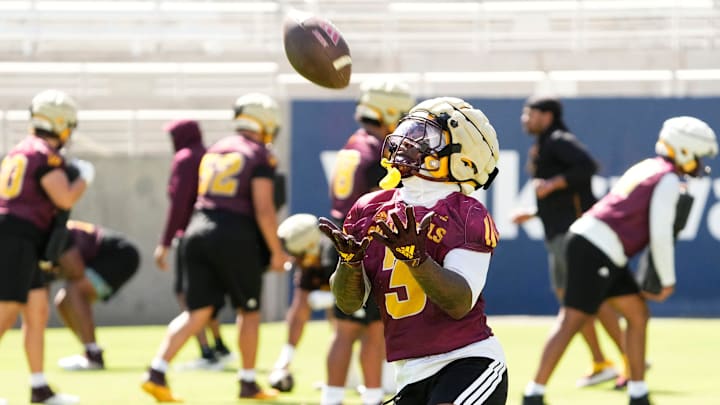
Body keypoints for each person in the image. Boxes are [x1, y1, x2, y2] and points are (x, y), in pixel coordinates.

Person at [320, 97, 508, 405]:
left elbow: (459, 302)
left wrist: (417, 259)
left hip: (467, 363)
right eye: (411, 129)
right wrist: (349, 264)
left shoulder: (466, 213)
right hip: (410, 376)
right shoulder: (370, 207)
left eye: (427, 135)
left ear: (462, 158)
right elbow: (348, 302)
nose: (409, 141)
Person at [522, 116, 718, 405]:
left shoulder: (649, 167)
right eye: (699, 156)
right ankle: (533, 392)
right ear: (686, 150)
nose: (700, 164)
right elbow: (660, 234)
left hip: (600, 246)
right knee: (573, 318)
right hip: (597, 248)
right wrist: (666, 280)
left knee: (637, 314)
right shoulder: (665, 178)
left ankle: (638, 392)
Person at [141, 93, 289, 402]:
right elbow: (263, 209)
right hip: (234, 233)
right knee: (248, 310)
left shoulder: (215, 150)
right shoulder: (259, 153)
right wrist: (277, 250)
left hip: (197, 229)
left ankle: (156, 371)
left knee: (198, 312)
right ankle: (248, 382)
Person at [511, 95, 626, 388]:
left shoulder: (560, 139)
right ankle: (601, 362)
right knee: (570, 298)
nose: (525, 118)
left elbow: (587, 166)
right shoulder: (546, 145)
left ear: (547, 115)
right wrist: (535, 212)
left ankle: (630, 359)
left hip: (575, 234)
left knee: (589, 299)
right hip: (558, 234)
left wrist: (552, 184)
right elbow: (560, 199)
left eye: (531, 113)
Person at [321, 79, 415, 405]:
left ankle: (340, 398)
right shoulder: (378, 153)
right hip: (364, 244)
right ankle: (365, 398)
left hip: (342, 238)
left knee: (348, 330)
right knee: (367, 331)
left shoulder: (352, 144)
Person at [0, 89, 94, 404]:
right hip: (16, 236)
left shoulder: (21, 150)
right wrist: (83, 179)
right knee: (5, 313)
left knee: (36, 311)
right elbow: (64, 196)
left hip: (22, 237)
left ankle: (39, 388)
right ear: (60, 123)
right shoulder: (44, 153)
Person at [153, 119, 232, 369]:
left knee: (188, 295)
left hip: (190, 235)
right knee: (208, 295)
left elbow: (179, 203)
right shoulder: (209, 155)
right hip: (216, 232)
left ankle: (207, 351)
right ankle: (219, 346)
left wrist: (164, 242)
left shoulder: (186, 157)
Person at [52, 220, 140, 370]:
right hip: (105, 257)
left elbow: (76, 270)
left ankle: (93, 356)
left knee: (74, 289)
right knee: (62, 302)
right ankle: (90, 350)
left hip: (119, 255)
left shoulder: (53, 231)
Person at [268, 213, 337, 393]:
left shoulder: (334, 253)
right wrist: (285, 361)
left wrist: (330, 298)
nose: (292, 259)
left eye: (295, 254)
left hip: (372, 310)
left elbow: (362, 294)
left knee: (343, 319)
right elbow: (300, 307)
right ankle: (284, 362)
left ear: (309, 245)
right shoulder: (310, 257)